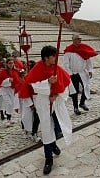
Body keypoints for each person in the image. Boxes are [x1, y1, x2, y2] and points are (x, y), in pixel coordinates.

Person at [24, 45, 73, 175]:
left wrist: (56, 95)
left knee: (56, 127)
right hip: (43, 102)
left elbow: (65, 84)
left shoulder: (57, 68)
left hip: (55, 102)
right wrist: (47, 82)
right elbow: (33, 84)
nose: (56, 58)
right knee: (46, 129)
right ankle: (48, 159)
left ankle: (53, 144)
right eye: (53, 56)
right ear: (46, 58)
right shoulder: (38, 68)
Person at [63, 34, 97, 115]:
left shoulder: (84, 49)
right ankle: (76, 108)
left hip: (82, 72)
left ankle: (82, 103)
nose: (79, 41)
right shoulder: (69, 51)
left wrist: (90, 70)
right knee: (74, 91)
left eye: (80, 39)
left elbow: (88, 60)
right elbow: (65, 63)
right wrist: (70, 73)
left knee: (86, 87)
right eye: (78, 39)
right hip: (73, 73)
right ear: (73, 40)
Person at [17, 60, 41, 143]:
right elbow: (25, 92)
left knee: (38, 118)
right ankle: (32, 133)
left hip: (40, 99)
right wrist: (31, 104)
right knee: (30, 118)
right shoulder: (27, 78)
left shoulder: (39, 76)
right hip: (31, 99)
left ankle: (34, 132)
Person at [0, 58, 20, 126]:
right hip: (4, 89)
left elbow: (17, 80)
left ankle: (10, 118)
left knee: (12, 104)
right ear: (7, 64)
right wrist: (8, 80)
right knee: (9, 103)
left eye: (12, 63)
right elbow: (0, 82)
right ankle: (8, 119)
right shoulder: (3, 72)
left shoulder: (15, 71)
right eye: (9, 63)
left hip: (12, 90)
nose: (11, 64)